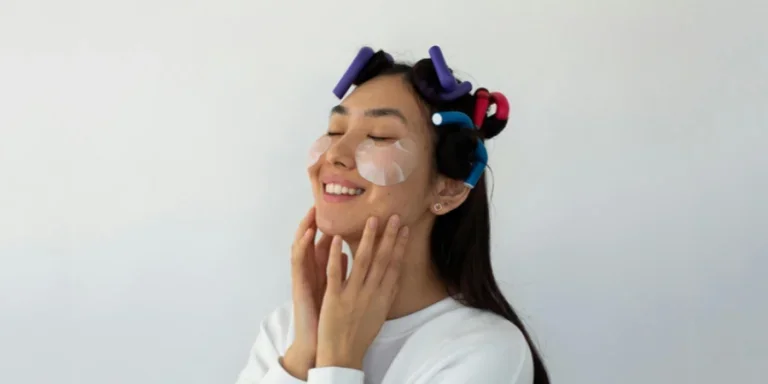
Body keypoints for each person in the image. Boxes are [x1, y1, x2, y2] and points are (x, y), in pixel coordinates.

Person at [235, 46, 550, 384]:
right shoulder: (287, 329)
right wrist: (301, 356)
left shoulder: (486, 350)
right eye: (335, 130)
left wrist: (337, 360)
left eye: (379, 136)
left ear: (449, 188)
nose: (336, 154)